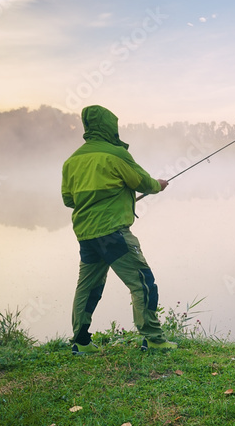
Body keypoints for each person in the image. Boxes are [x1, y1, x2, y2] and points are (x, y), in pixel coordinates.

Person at [61, 104, 177, 354]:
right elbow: (141, 182)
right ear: (109, 126)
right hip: (112, 232)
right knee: (143, 282)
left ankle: (80, 343)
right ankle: (154, 338)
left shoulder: (72, 161)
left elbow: (69, 200)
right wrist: (159, 184)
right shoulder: (115, 154)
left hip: (86, 234)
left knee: (88, 287)